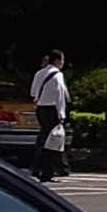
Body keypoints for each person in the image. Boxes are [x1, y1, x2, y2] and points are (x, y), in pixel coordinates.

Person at [30, 49, 70, 182]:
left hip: (41, 108)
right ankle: (48, 170)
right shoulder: (57, 75)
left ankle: (38, 167)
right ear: (57, 61)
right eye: (62, 60)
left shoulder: (39, 73)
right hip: (52, 110)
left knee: (43, 139)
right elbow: (59, 96)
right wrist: (61, 113)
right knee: (52, 142)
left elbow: (33, 92)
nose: (63, 63)